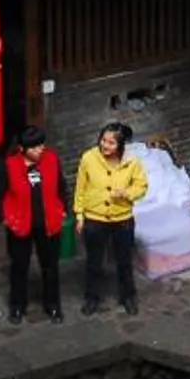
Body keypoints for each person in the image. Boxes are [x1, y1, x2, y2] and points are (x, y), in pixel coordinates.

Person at [73, 120, 148, 316]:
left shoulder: (132, 162)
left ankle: (128, 296)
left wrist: (127, 193)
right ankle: (92, 297)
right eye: (103, 141)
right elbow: (80, 188)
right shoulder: (89, 158)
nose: (105, 146)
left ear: (121, 145)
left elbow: (142, 187)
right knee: (94, 262)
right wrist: (80, 215)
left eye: (111, 143)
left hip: (122, 219)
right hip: (94, 218)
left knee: (124, 261)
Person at [0, 123, 67, 324]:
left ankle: (53, 305)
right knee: (20, 266)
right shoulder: (10, 165)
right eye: (35, 147)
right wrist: (5, 217)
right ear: (22, 149)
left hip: (48, 223)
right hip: (20, 224)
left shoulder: (52, 160)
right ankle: (17, 306)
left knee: (50, 266)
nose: (40, 150)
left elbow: (61, 187)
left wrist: (62, 208)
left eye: (41, 145)